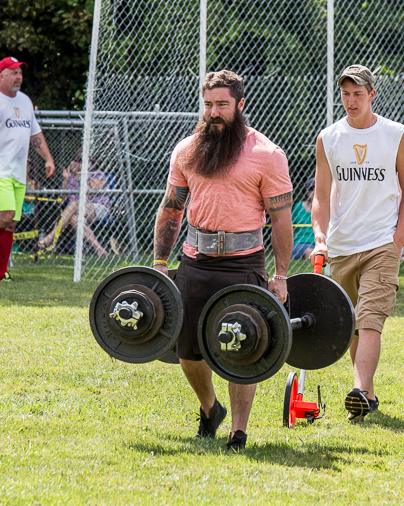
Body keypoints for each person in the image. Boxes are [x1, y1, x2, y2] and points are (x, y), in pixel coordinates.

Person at [151, 70, 293, 452]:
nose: (214, 112)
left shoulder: (267, 154)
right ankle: (210, 409)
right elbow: (172, 207)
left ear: (240, 105)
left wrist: (280, 275)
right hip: (195, 261)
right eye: (209, 104)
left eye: (222, 104)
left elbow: (280, 219)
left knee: (242, 344)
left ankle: (239, 431)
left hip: (243, 263)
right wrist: (160, 262)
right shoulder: (186, 150)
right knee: (187, 350)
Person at [310, 65, 404, 420]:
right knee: (351, 322)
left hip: (381, 242)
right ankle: (367, 395)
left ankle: (357, 388)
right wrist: (320, 236)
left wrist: (398, 238)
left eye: (358, 94)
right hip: (343, 244)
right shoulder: (329, 138)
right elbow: (322, 196)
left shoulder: (395, 134)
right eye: (345, 94)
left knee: (370, 318)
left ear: (373, 95)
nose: (351, 100)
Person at [0, 56, 55, 282]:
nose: (19, 77)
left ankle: (1, 273)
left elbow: (35, 134)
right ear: (1, 75)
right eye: (14, 72)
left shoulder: (24, 101)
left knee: (12, 221)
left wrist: (48, 159)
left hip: (18, 170)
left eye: (20, 73)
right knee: (4, 215)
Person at [35, 150, 110, 255]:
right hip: (74, 211)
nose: (75, 163)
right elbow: (63, 197)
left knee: (74, 204)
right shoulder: (70, 177)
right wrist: (66, 180)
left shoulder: (97, 174)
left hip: (97, 208)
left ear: (88, 164)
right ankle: (99, 248)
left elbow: (90, 194)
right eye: (74, 160)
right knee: (74, 217)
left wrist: (80, 178)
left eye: (79, 161)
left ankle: (51, 236)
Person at [291, 179, 315, 259]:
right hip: (300, 242)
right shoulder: (298, 206)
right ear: (307, 192)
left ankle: (310, 254)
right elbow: (291, 228)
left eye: (316, 188)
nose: (314, 191)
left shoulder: (325, 208)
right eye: (311, 189)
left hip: (317, 242)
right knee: (308, 250)